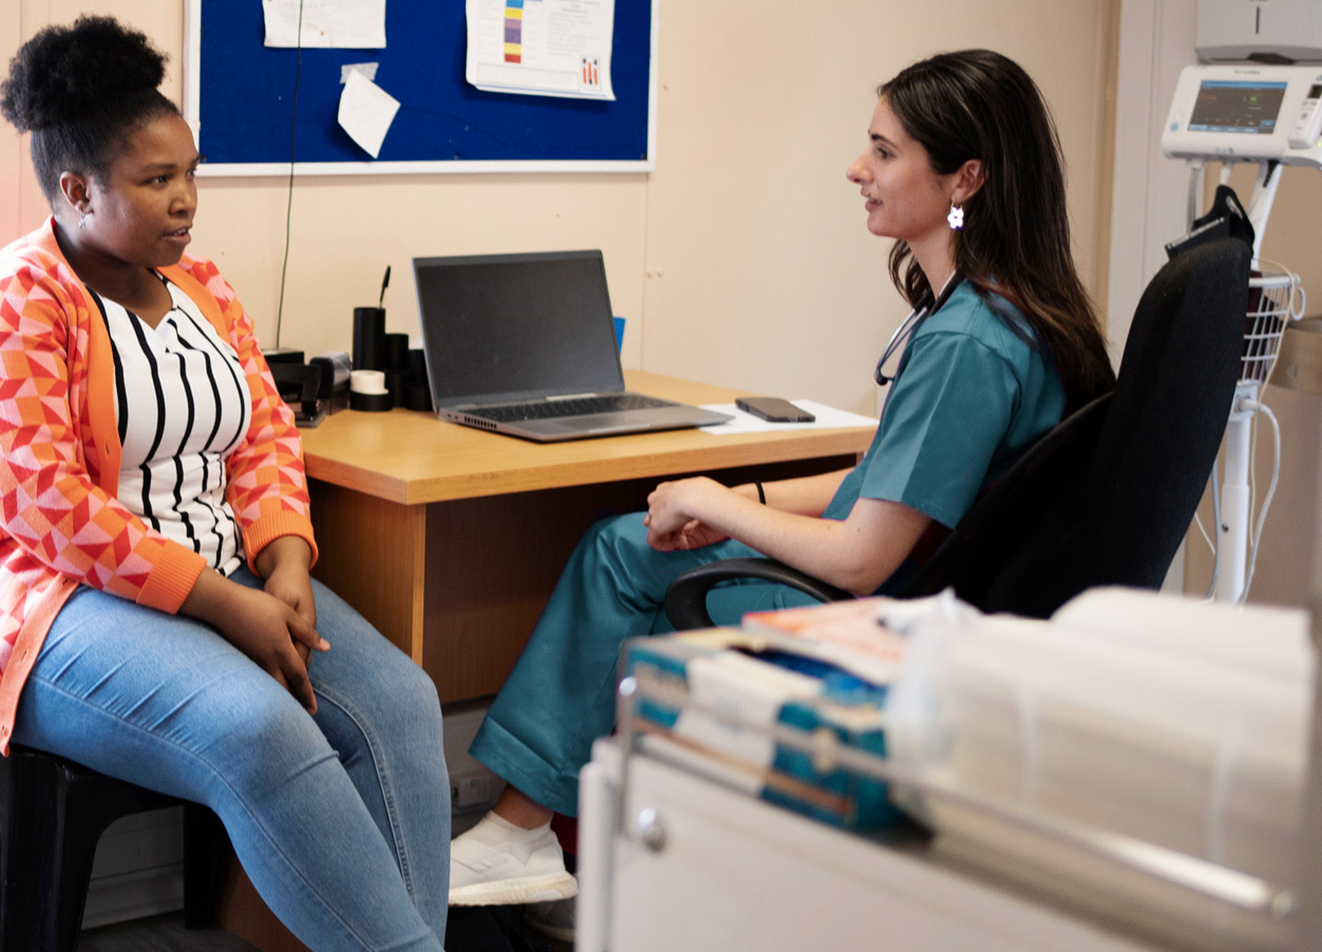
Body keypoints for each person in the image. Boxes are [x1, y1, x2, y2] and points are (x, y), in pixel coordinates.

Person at [0, 16, 624, 952]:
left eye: (191, 174)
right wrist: (226, 605)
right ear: (76, 189)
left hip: (234, 578)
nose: (187, 201)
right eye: (157, 179)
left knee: (397, 704)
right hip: (44, 609)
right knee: (253, 725)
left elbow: (264, 437)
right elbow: (51, 511)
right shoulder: (4, 309)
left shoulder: (201, 288)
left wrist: (282, 562)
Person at [450, 49, 1116, 904]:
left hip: (878, 613)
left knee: (621, 556)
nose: (857, 170)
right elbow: (891, 479)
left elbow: (864, 556)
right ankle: (540, 838)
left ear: (966, 177)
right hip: (934, 587)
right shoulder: (1007, 310)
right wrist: (739, 504)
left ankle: (526, 834)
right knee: (636, 540)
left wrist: (722, 504)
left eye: (883, 152)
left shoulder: (965, 345)